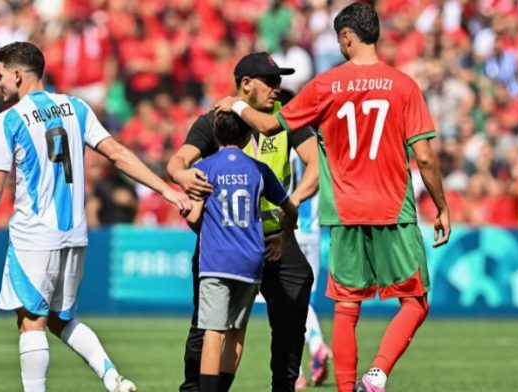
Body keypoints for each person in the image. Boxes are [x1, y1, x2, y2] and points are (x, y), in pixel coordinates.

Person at [215, 3, 451, 392]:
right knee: (415, 302)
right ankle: (375, 377)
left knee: (346, 307)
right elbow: (424, 155)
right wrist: (442, 207)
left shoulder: (327, 85)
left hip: (344, 212)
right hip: (394, 208)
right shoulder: (404, 85)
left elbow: (271, 125)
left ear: (346, 37)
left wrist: (236, 103)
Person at [0, 42, 191, 392]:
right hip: (75, 234)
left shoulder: (7, 120)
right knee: (58, 319)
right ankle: (113, 378)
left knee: (31, 323)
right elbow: (116, 153)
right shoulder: (75, 108)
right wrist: (166, 189)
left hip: (34, 233)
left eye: (0, 75)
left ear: (18, 75)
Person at [167, 52, 319, 392]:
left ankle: (284, 385)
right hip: (230, 241)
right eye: (271, 81)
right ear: (245, 84)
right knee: (205, 328)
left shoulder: (286, 118)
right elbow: (179, 160)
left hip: (276, 240)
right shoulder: (215, 120)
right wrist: (181, 174)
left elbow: (316, 166)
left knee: (290, 323)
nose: (278, 88)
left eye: (280, 81)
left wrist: (287, 216)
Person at [185, 111, 298, 392]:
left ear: (216, 135)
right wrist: (283, 237)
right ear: (249, 136)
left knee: (213, 332)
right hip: (250, 261)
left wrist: (204, 226)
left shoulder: (206, 167)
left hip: (217, 261)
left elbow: (192, 217)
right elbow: (289, 208)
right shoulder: (258, 169)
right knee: (236, 332)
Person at [290, 149, 331, 390]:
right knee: (306, 301)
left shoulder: (281, 139)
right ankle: (315, 347)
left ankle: (296, 369)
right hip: (313, 232)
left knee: (285, 302)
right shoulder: (316, 144)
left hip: (288, 227)